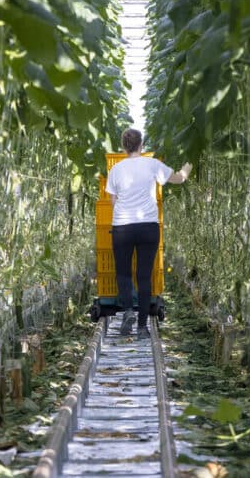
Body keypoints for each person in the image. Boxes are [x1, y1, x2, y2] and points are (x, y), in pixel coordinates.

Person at [105, 128, 192, 340]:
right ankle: (142, 327)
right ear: (141, 145)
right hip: (148, 226)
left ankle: (127, 311)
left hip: (122, 227)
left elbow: (112, 201)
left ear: (124, 146)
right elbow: (178, 178)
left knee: (123, 273)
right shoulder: (152, 164)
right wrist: (188, 167)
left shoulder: (116, 169)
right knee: (144, 276)